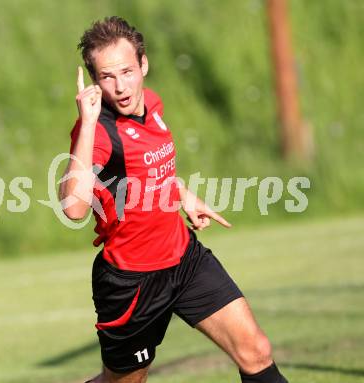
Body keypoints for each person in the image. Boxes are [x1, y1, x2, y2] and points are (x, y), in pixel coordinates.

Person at [59, 16, 288, 383]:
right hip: (132, 283)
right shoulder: (97, 131)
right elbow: (73, 207)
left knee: (256, 350)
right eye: (107, 77)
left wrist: (181, 193)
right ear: (94, 81)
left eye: (127, 71)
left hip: (185, 260)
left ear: (144, 64)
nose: (120, 86)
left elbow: (145, 169)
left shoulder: (152, 103)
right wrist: (85, 125)